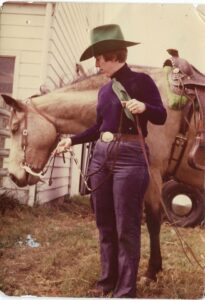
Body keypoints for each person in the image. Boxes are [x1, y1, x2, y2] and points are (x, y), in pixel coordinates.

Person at [55, 24, 167, 298]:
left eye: (99, 58)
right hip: (101, 156)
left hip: (130, 157)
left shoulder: (142, 82)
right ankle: (107, 283)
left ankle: (125, 291)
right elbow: (97, 127)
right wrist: (73, 139)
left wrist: (145, 107)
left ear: (114, 55)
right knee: (104, 224)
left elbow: (160, 116)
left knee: (126, 227)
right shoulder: (105, 92)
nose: (96, 64)